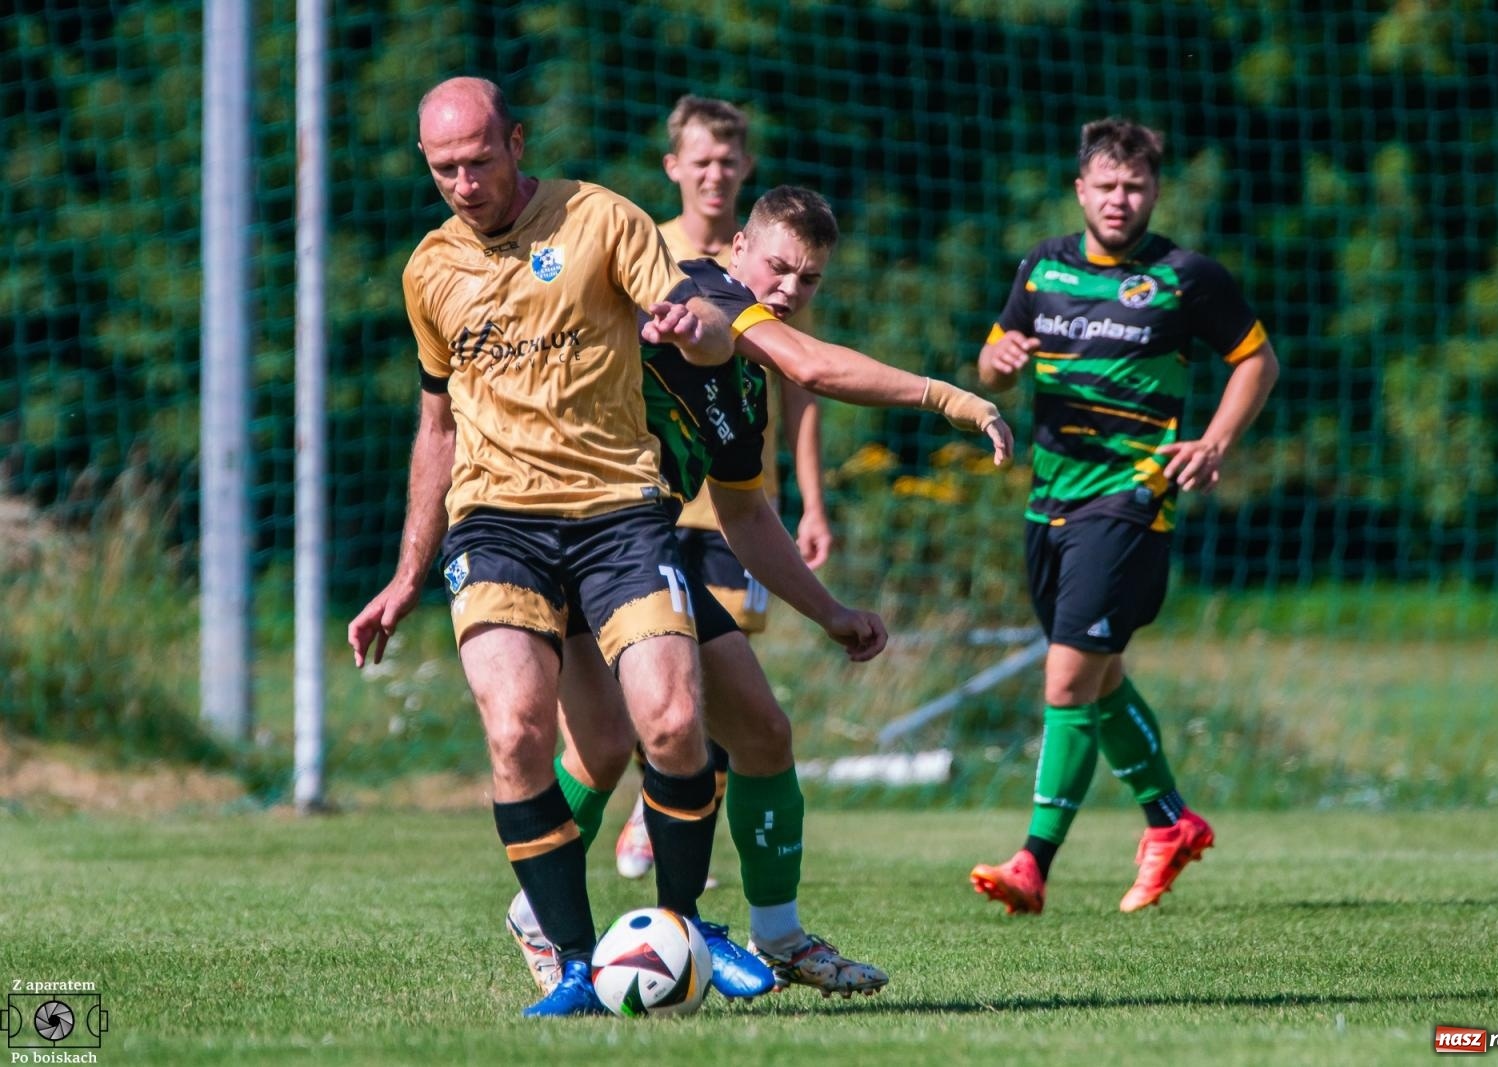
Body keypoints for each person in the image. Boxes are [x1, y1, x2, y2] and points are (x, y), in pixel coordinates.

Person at [508, 185, 1013, 998]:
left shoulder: (746, 387)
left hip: (641, 546)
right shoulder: (702, 290)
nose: (787, 288)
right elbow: (811, 362)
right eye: (778, 266)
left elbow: (744, 513)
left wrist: (829, 612)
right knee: (605, 747)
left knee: (763, 734)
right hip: (568, 530)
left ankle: (778, 935)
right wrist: (951, 396)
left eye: (807, 279)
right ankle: (553, 916)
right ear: (739, 247)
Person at [346, 76, 763, 1019]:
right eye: (444, 167)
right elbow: (436, 429)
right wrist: (407, 574)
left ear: (517, 142)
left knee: (668, 721)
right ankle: (574, 960)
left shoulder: (602, 219)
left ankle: (682, 927)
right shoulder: (428, 272)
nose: (463, 182)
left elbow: (693, 326)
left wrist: (693, 329)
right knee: (516, 731)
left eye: (479, 161)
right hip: (496, 523)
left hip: (621, 507)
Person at [968, 118, 1279, 917]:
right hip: (1050, 500)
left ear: (1154, 192)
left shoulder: (1184, 276)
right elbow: (996, 355)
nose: (1119, 199)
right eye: (1105, 185)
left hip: (1132, 498)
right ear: (1080, 190)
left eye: (1134, 186)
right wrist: (996, 362)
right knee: (1097, 681)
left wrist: (1213, 441)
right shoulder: (1042, 266)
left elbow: (1256, 358)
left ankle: (1033, 861)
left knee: (1067, 675)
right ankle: (1170, 822)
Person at [613, 95, 834, 882]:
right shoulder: (648, 249)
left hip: (731, 496)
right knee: (667, 688)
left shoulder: (784, 264)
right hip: (635, 500)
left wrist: (811, 498)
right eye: (700, 161)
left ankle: (676, 808)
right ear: (674, 167)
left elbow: (802, 379)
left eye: (728, 162)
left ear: (745, 169)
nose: (715, 174)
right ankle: (662, 802)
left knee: (725, 688)